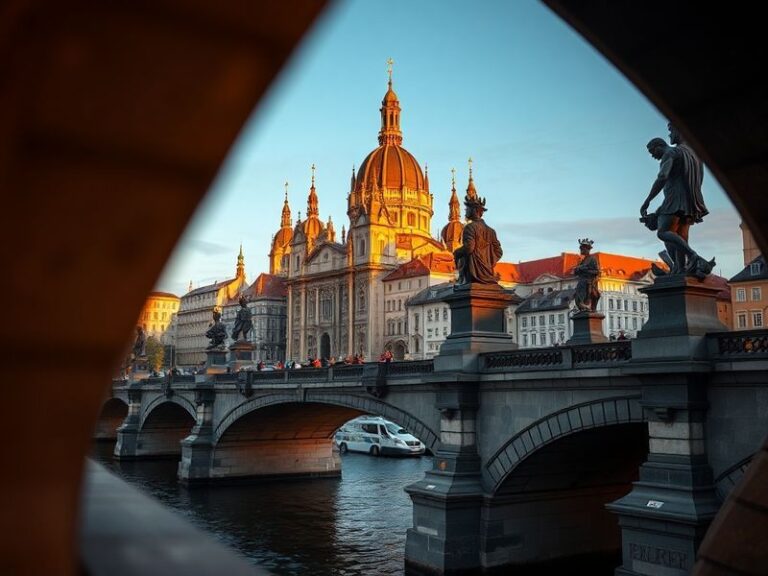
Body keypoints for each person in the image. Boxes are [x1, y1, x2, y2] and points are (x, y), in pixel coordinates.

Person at [640, 124, 712, 277]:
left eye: (653, 151)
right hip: (690, 202)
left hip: (674, 200)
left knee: (663, 232)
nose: (653, 155)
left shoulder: (671, 153)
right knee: (680, 237)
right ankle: (680, 269)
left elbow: (662, 177)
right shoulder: (695, 155)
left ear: (659, 146)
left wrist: (648, 200)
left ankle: (693, 256)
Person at [453, 192, 502, 285]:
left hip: (473, 273)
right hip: (487, 272)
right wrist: (488, 262)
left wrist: (457, 252)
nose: (465, 211)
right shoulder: (491, 231)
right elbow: (499, 252)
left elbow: (469, 247)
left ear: (474, 210)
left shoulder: (470, 227)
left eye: (467, 208)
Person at [573, 238, 601, 312]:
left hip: (588, 281)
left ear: (587, 249)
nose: (581, 250)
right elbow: (577, 272)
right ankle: (582, 305)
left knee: (582, 286)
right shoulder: (583, 260)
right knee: (577, 293)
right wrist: (577, 270)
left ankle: (585, 304)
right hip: (582, 281)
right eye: (580, 249)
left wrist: (586, 270)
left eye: (582, 249)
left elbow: (597, 271)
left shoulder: (592, 259)